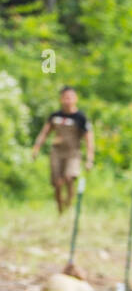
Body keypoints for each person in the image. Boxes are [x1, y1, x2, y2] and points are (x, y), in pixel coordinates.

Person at [30, 86, 93, 215]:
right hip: (57, 153)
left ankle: (69, 205)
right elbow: (44, 133)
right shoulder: (55, 116)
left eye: (70, 97)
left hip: (73, 153)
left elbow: (89, 139)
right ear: (61, 99)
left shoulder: (81, 118)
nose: (67, 100)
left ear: (75, 99)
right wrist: (36, 148)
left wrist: (89, 158)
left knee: (69, 178)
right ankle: (60, 210)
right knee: (57, 183)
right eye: (65, 97)